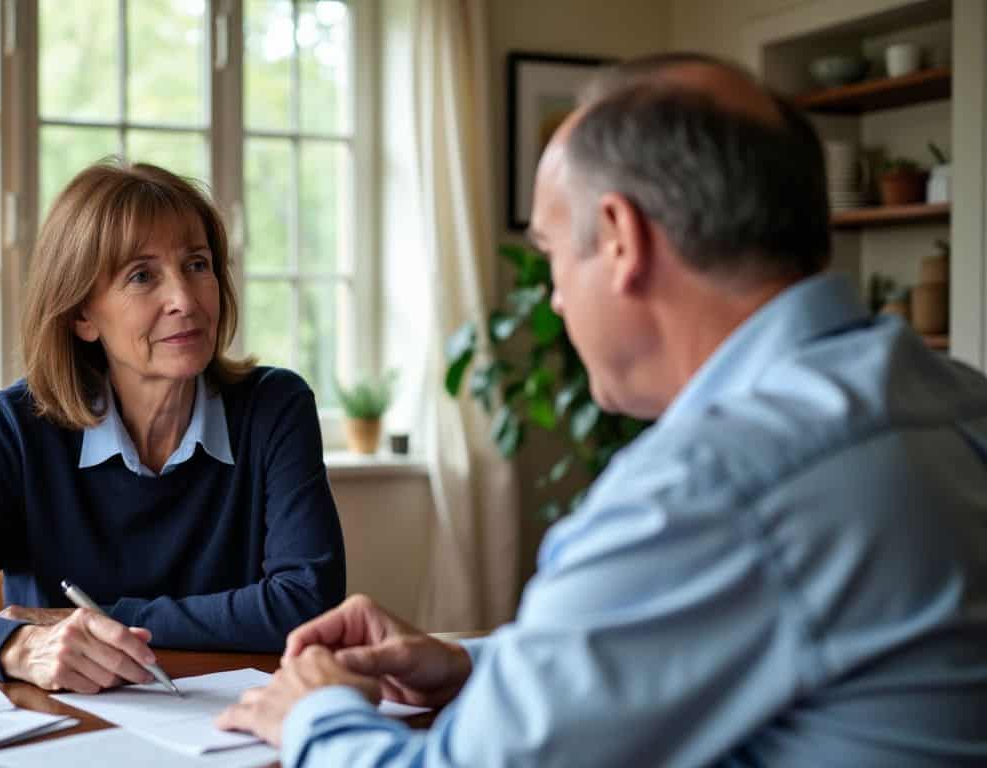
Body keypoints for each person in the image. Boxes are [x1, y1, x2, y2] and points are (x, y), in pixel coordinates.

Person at [216, 52, 987, 765]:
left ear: (620, 238)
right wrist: (474, 663)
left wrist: (315, 716)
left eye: (553, 254)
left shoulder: (713, 482)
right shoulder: (949, 394)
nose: (552, 294)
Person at [0, 161, 346, 693]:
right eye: (142, 275)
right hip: (63, 727)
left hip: (232, 722)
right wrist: (17, 645)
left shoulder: (275, 406)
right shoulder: (18, 428)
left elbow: (307, 602)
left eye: (197, 264)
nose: (185, 299)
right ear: (83, 315)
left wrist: (94, 617)